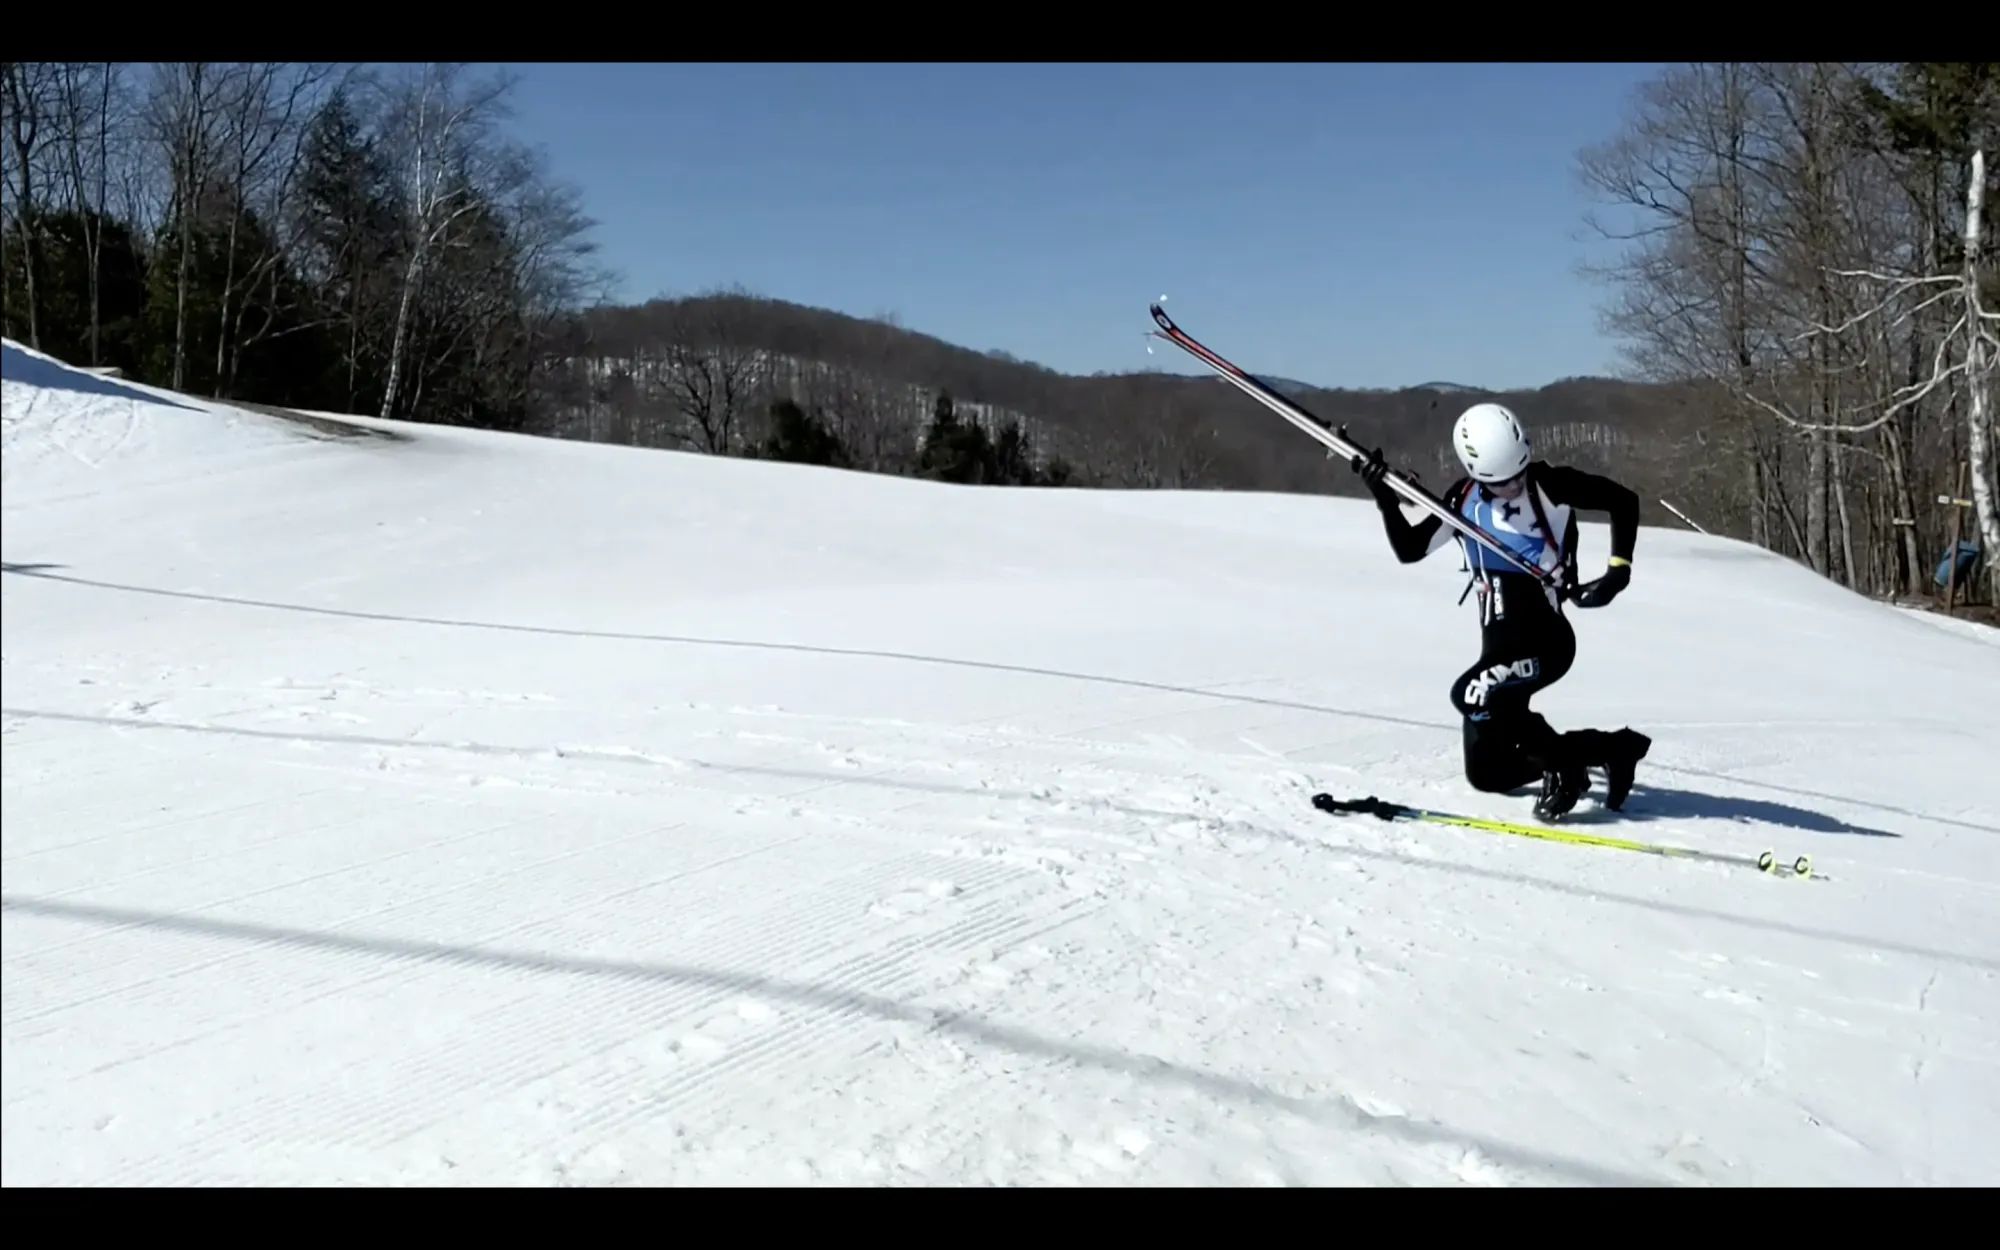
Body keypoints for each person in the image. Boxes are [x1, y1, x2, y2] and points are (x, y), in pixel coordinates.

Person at [1350, 402, 1651, 820]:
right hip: (1499, 653)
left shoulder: (1548, 486)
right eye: (1499, 483)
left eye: (1516, 476)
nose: (1512, 487)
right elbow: (1411, 549)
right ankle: (1612, 750)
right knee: (1489, 774)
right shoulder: (1464, 500)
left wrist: (1618, 571)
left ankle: (1563, 768)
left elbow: (1623, 501)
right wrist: (1384, 498)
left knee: (1469, 694)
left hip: (1546, 642)